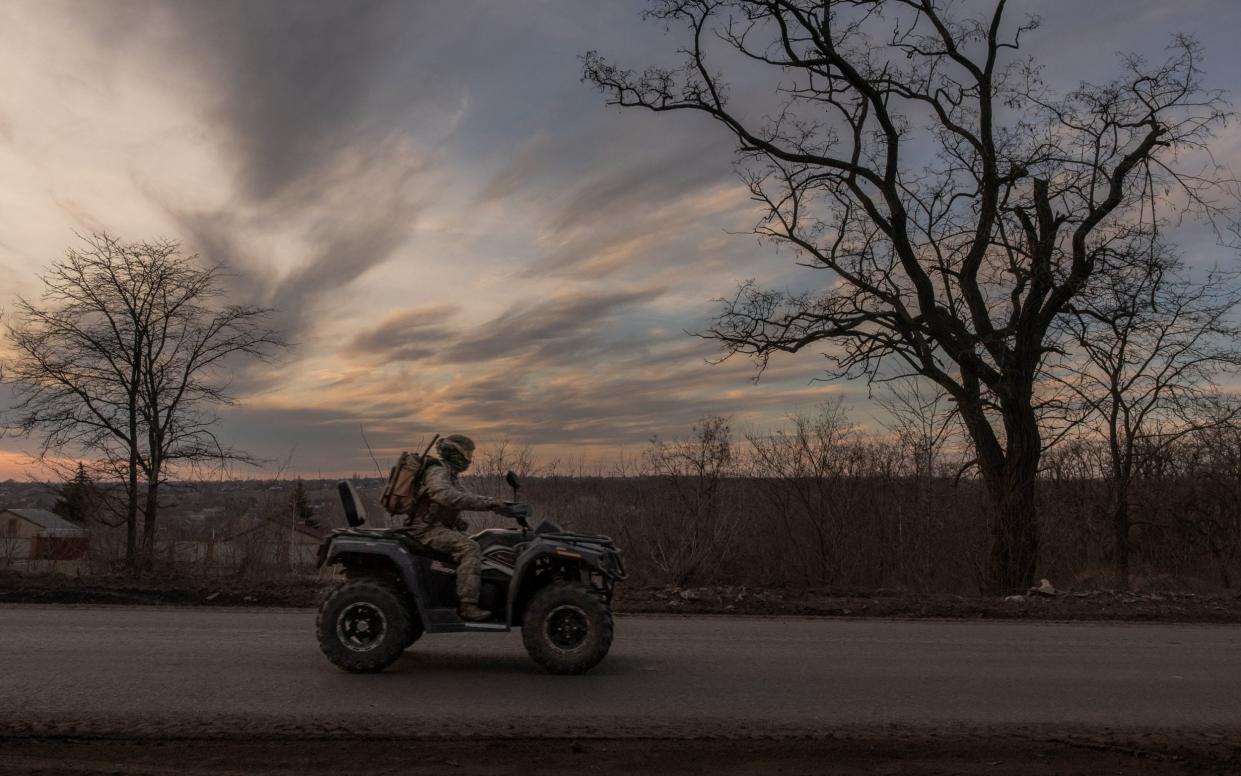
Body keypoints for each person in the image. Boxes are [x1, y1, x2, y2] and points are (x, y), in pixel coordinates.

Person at [404, 434, 524, 622]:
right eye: (468, 453)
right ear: (456, 453)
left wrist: (500, 505)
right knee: (469, 548)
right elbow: (445, 495)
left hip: (438, 526)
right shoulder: (438, 471)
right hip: (426, 530)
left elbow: (462, 497)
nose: (470, 458)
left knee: (481, 542)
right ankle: (467, 605)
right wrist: (490, 504)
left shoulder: (450, 474)